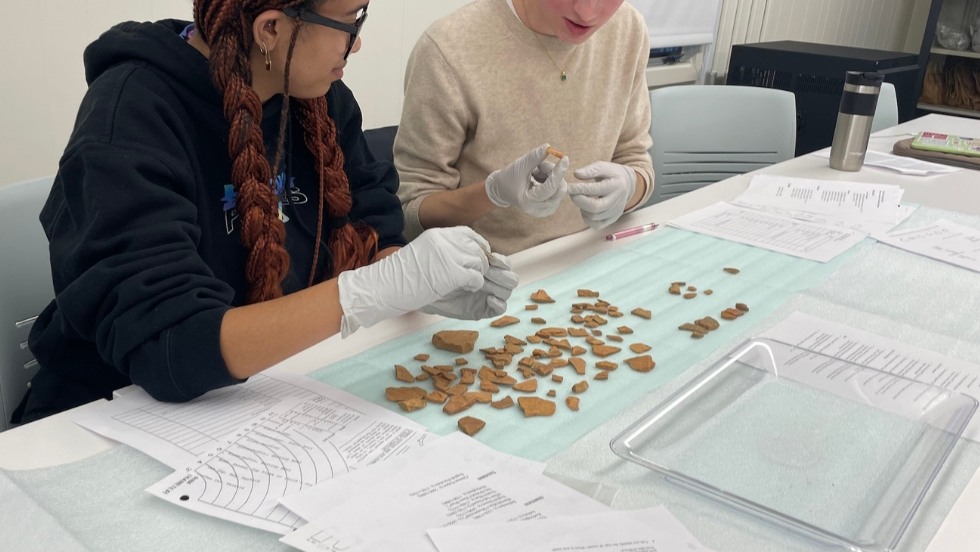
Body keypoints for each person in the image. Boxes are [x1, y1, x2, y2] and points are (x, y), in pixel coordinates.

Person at [12, 0, 518, 424]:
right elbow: (172, 346)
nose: (356, 43)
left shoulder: (323, 102)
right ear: (271, 28)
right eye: (351, 22)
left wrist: (417, 284)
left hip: (270, 392)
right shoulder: (132, 115)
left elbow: (376, 225)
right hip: (116, 415)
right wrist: (366, 293)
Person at [395, 0, 655, 255]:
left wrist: (631, 187)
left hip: (594, 255)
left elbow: (636, 159)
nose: (587, 13)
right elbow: (410, 212)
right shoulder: (449, 48)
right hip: (491, 275)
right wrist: (492, 193)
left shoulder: (627, 29)